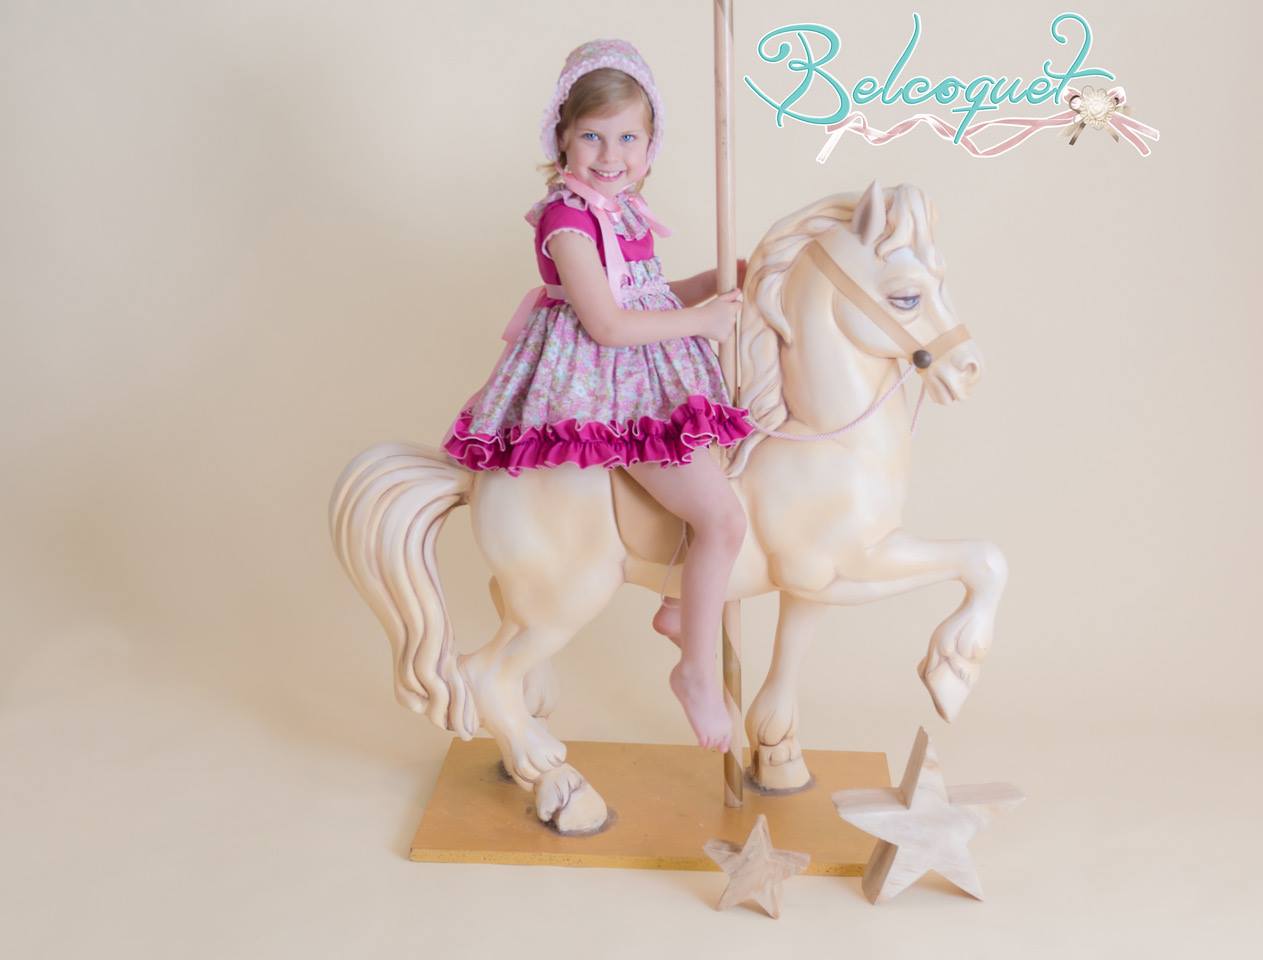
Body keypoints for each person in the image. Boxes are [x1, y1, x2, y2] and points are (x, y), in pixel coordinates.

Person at [442, 39, 754, 753]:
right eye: (592, 136)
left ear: (650, 144)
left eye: (627, 138)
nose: (610, 155)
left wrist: (711, 285)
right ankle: (696, 673)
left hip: (646, 373)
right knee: (722, 519)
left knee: (732, 461)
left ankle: (679, 602)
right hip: (602, 390)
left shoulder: (625, 209)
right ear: (561, 137)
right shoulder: (568, 221)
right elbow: (608, 323)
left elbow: (647, 293)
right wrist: (702, 323)